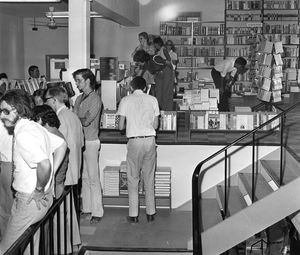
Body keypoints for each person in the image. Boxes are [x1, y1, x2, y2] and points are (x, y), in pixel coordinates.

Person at [0, 89, 67, 254]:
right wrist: (48, 181)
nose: (2, 116)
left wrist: (39, 188)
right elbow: (61, 145)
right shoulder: (34, 127)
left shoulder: (24, 133)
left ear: (19, 110)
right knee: (30, 245)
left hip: (29, 200)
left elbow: (44, 164)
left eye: (6, 111)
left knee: (6, 249)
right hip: (33, 199)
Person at [117, 76, 160, 223]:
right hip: (149, 141)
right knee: (149, 177)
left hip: (134, 142)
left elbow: (120, 127)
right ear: (145, 87)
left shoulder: (125, 100)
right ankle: (150, 213)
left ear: (131, 87)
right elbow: (155, 126)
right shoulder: (153, 100)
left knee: (133, 178)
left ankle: (134, 215)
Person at [73, 68, 104, 224]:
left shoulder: (95, 99)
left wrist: (77, 117)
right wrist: (79, 117)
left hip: (91, 141)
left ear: (87, 81)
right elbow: (77, 119)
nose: (77, 84)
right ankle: (87, 208)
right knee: (84, 177)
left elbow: (86, 121)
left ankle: (97, 211)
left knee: (93, 177)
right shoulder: (78, 99)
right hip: (80, 141)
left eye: (79, 80)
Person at [0, 108, 13, 240]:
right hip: (14, 164)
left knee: (4, 208)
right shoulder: (11, 119)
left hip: (6, 164)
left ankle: (6, 241)